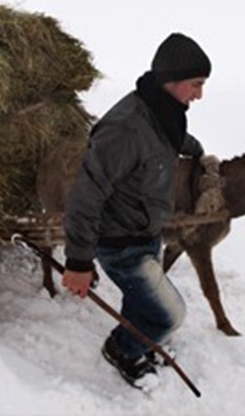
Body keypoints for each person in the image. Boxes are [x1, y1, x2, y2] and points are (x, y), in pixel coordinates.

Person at [61, 32, 209, 389]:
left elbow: (164, 141)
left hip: (146, 233)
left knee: (139, 301)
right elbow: (85, 195)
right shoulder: (125, 128)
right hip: (120, 243)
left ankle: (139, 340)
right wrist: (79, 263)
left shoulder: (165, 110)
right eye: (196, 84)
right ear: (171, 81)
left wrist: (194, 148)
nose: (200, 95)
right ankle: (121, 349)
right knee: (169, 314)